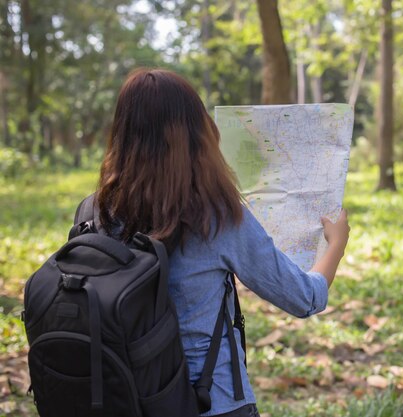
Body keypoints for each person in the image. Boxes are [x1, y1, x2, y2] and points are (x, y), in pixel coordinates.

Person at [95, 68, 350, 417]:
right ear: (195, 133)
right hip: (209, 402)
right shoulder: (216, 218)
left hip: (122, 397)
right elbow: (304, 298)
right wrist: (335, 244)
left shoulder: (97, 210)